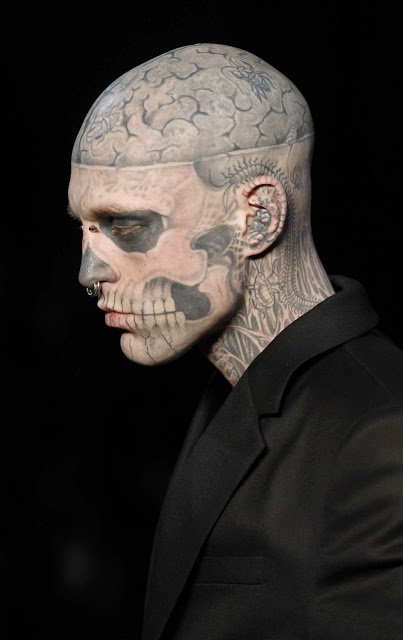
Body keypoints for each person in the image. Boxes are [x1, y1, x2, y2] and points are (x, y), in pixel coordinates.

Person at [67, 43, 403, 640]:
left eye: (127, 225)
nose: (89, 271)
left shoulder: (383, 434)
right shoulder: (230, 390)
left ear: (257, 218)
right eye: (86, 227)